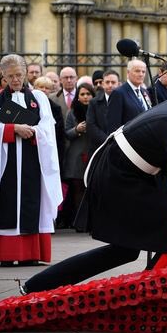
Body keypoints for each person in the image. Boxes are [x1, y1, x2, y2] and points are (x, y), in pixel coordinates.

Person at [21, 72, 167, 294]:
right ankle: (148, 295)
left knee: (124, 250)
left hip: (129, 171)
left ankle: (37, 285)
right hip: (120, 175)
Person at [0, 54, 62, 266]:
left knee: (32, 202)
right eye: (10, 76)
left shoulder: (39, 99)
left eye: (19, 75)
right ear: (2, 75)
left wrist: (33, 131)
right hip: (5, 164)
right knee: (6, 201)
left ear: (25, 74)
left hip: (33, 160)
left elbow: (48, 127)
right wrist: (13, 129)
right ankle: (6, 254)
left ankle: (31, 254)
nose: (15, 80)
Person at [64, 83, 95, 228]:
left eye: (88, 94)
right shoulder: (72, 112)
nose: (85, 97)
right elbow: (66, 133)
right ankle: (79, 222)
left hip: (92, 153)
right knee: (77, 189)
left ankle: (91, 221)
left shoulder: (97, 109)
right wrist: (77, 129)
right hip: (76, 156)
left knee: (90, 188)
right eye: (82, 94)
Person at [106, 59, 151, 133]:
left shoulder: (145, 92)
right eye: (137, 71)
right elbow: (113, 125)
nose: (141, 74)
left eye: (143, 72)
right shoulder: (118, 93)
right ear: (128, 72)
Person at [86, 69, 120, 155]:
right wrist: (107, 140)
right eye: (107, 82)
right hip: (99, 148)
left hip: (120, 146)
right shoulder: (94, 102)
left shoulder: (124, 101)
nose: (110, 85)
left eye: (113, 82)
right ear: (103, 84)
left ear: (118, 84)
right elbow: (91, 125)